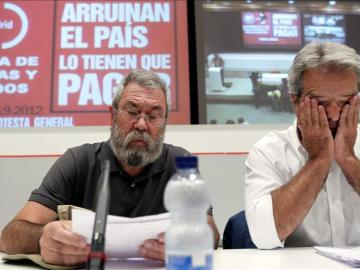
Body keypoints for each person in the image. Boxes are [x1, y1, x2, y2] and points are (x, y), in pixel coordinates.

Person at [0, 70, 220, 265]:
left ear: (164, 122)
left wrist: (186, 241)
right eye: (132, 112)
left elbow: (210, 231)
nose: (142, 125)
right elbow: (9, 236)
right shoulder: (79, 160)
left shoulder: (178, 163)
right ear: (113, 115)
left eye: (153, 116)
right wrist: (41, 238)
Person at [245, 42, 360, 249]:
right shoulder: (269, 152)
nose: (334, 115)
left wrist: (348, 159)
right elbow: (263, 237)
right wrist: (319, 159)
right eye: (321, 103)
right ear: (295, 100)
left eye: (344, 101)